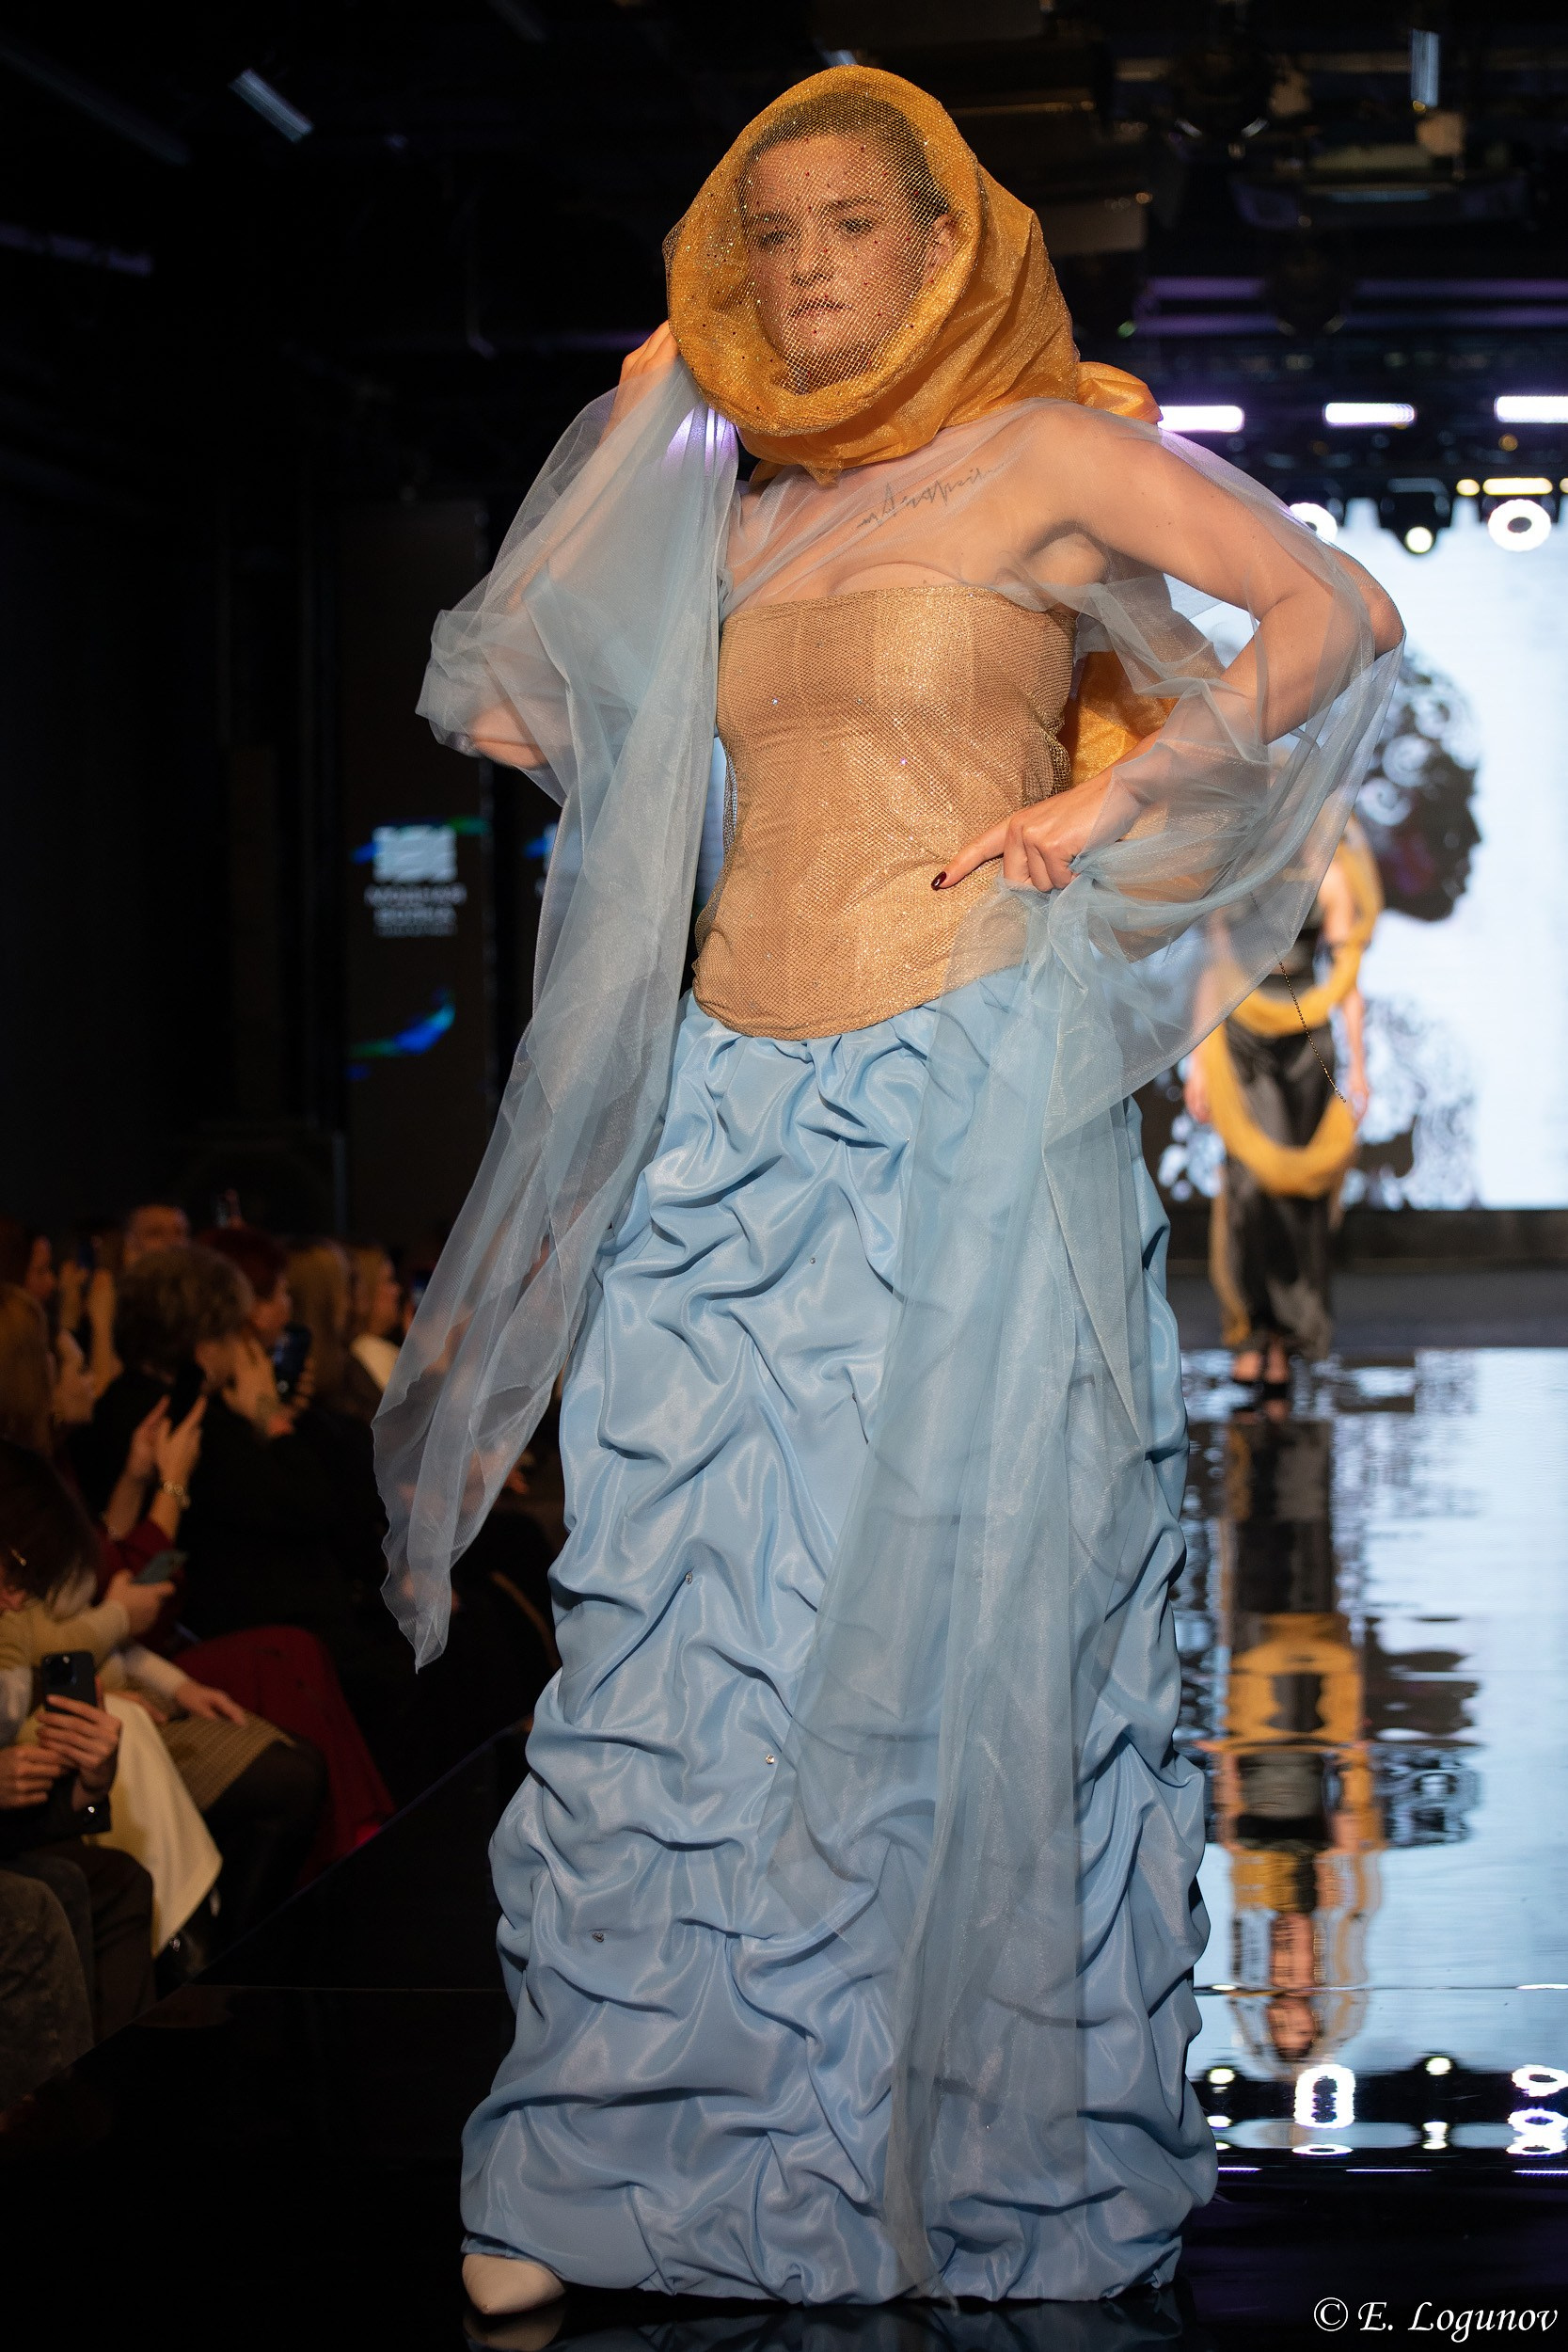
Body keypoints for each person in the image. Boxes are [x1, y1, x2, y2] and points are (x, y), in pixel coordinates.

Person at [375, 68, 1402, 2312]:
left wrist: (1109, 804)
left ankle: (964, 2152)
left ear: (946, 252)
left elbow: (1326, 610)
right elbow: (525, 707)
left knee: (963, 1630)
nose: (805, 264)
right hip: (725, 1121)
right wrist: (651, 402)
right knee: (684, 1640)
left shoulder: (1042, 458)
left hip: (960, 1098)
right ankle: (608, 2160)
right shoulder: (735, 518)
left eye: (849, 222)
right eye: (766, 235)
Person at [1182, 821, 1383, 1386]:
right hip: (1243, 1038)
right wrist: (1197, 1063)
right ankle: (1252, 1329)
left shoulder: (1331, 877)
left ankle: (1285, 1338)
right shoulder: (1234, 870)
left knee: (1296, 1195)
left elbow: (1348, 978)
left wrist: (1360, 1067)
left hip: (1305, 1042)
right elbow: (1212, 970)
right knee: (1248, 1185)